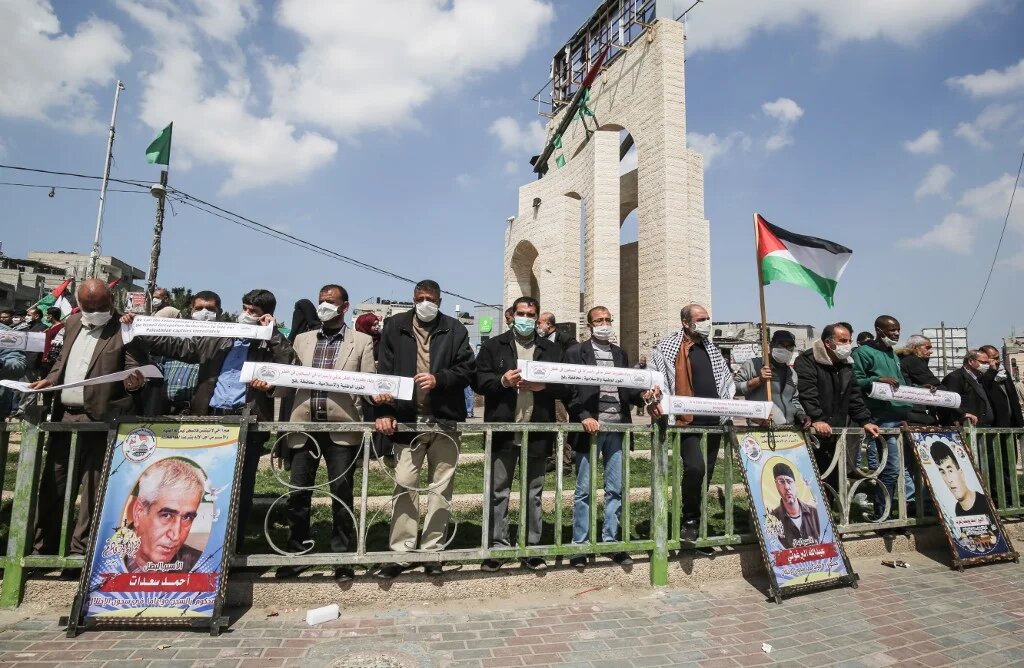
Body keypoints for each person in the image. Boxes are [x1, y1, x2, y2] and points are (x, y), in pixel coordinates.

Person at [121, 289, 296, 551]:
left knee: (240, 490)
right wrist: (139, 327)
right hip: (209, 421)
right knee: (203, 488)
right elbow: (178, 346)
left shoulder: (268, 344)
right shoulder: (221, 336)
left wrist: (273, 335)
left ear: (266, 316)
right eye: (245, 308)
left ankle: (232, 549)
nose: (247, 314)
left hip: (247, 422)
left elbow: (291, 364)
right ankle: (201, 547)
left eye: (254, 313)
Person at [30, 279, 148, 561]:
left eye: (102, 306)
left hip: (101, 420)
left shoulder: (125, 326)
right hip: (66, 417)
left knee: (93, 489)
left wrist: (134, 382)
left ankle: (79, 553)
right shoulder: (72, 324)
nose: (96, 311)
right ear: (80, 305)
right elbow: (63, 363)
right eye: (90, 307)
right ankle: (42, 549)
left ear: (112, 301)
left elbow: (136, 370)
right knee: (54, 485)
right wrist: (50, 379)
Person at [271, 284, 376, 583]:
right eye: (321, 301)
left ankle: (342, 557)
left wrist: (378, 396)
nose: (324, 306)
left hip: (342, 429)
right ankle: (297, 551)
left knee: (341, 493)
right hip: (305, 426)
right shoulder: (302, 340)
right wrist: (269, 385)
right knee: (298, 492)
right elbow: (288, 380)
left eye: (330, 302)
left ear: (344, 306)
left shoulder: (362, 341)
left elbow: (368, 383)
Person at [374, 280, 475, 579]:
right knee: (405, 485)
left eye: (430, 298)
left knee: (440, 489)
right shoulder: (394, 326)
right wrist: (384, 410)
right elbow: (385, 372)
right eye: (420, 298)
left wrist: (440, 379)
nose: (425, 303)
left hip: (444, 419)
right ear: (413, 299)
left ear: (440, 301)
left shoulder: (456, 329)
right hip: (408, 421)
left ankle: (433, 550)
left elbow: (467, 368)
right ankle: (401, 551)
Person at [476, 296, 569, 571]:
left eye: (530, 314)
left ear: (537, 318)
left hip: (537, 431)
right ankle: (497, 547)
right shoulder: (494, 346)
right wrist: (502, 381)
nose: (525, 318)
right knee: (498, 492)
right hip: (504, 430)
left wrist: (544, 387)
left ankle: (531, 547)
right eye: (521, 313)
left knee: (534, 492)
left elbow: (566, 386)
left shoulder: (550, 350)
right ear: (511, 315)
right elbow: (479, 381)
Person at [565, 306, 658, 568]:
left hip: (617, 429)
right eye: (599, 320)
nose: (604, 324)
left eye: (607, 320)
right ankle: (580, 546)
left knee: (615, 489)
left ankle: (611, 541)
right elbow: (569, 390)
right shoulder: (576, 353)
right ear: (589, 325)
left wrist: (642, 396)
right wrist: (583, 415)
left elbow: (625, 390)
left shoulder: (619, 353)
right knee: (584, 490)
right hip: (589, 431)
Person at [647, 303, 732, 549]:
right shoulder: (667, 348)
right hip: (687, 422)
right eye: (701, 318)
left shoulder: (712, 349)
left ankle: (697, 526)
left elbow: (726, 381)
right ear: (686, 322)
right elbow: (656, 376)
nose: (706, 322)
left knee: (705, 475)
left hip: (714, 422)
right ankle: (690, 519)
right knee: (695, 468)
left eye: (708, 318)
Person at [794, 324, 880, 500]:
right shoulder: (808, 360)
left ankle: (831, 515)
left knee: (834, 477)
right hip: (814, 431)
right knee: (811, 477)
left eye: (849, 340)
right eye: (843, 341)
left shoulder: (846, 364)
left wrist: (865, 420)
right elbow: (807, 392)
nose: (847, 344)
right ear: (828, 343)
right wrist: (817, 418)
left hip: (837, 429)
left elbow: (854, 395)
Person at [852, 315, 915, 519]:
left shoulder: (892, 354)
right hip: (880, 419)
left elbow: (900, 385)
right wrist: (878, 380)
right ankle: (882, 514)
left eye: (898, 329)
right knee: (891, 469)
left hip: (897, 418)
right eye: (892, 330)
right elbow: (857, 381)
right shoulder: (863, 352)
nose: (896, 333)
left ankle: (893, 513)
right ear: (879, 330)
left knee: (898, 470)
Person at [126, 458, 206, 573]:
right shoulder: (106, 557)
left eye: (187, 517)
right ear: (138, 513)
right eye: (167, 515)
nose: (175, 536)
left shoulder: (202, 566)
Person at [734, 329, 809, 427]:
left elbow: (794, 400)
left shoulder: (792, 373)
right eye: (781, 345)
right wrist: (759, 380)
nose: (785, 349)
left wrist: (801, 414)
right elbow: (734, 389)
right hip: (761, 429)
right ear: (771, 345)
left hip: (789, 431)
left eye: (789, 346)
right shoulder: (753, 365)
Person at [979, 344, 1024, 503]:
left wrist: (1019, 424)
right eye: (993, 358)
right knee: (995, 464)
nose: (997, 361)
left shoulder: (1004, 375)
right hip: (995, 427)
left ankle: (1012, 496)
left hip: (1010, 426)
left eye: (998, 358)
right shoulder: (982, 375)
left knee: (1009, 462)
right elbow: (985, 386)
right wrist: (991, 370)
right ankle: (998, 498)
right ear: (984, 358)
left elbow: (1013, 400)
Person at [931, 440, 992, 519]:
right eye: (943, 472)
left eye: (950, 470)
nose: (949, 480)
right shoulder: (958, 509)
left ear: (961, 473)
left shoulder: (984, 502)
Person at [768, 462, 821, 549]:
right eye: (781, 482)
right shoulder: (772, 520)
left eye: (789, 481)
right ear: (776, 485)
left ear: (795, 484)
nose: (787, 487)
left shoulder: (814, 513)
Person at [898, 334, 941, 426]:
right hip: (915, 414)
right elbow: (933, 382)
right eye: (927, 348)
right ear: (915, 347)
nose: (930, 352)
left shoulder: (905, 359)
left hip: (912, 412)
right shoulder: (913, 361)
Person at [938, 350, 989, 428]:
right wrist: (963, 414)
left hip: (983, 427)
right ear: (971, 361)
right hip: (966, 427)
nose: (986, 365)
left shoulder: (981, 378)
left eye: (987, 363)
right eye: (983, 362)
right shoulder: (955, 377)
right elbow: (949, 400)